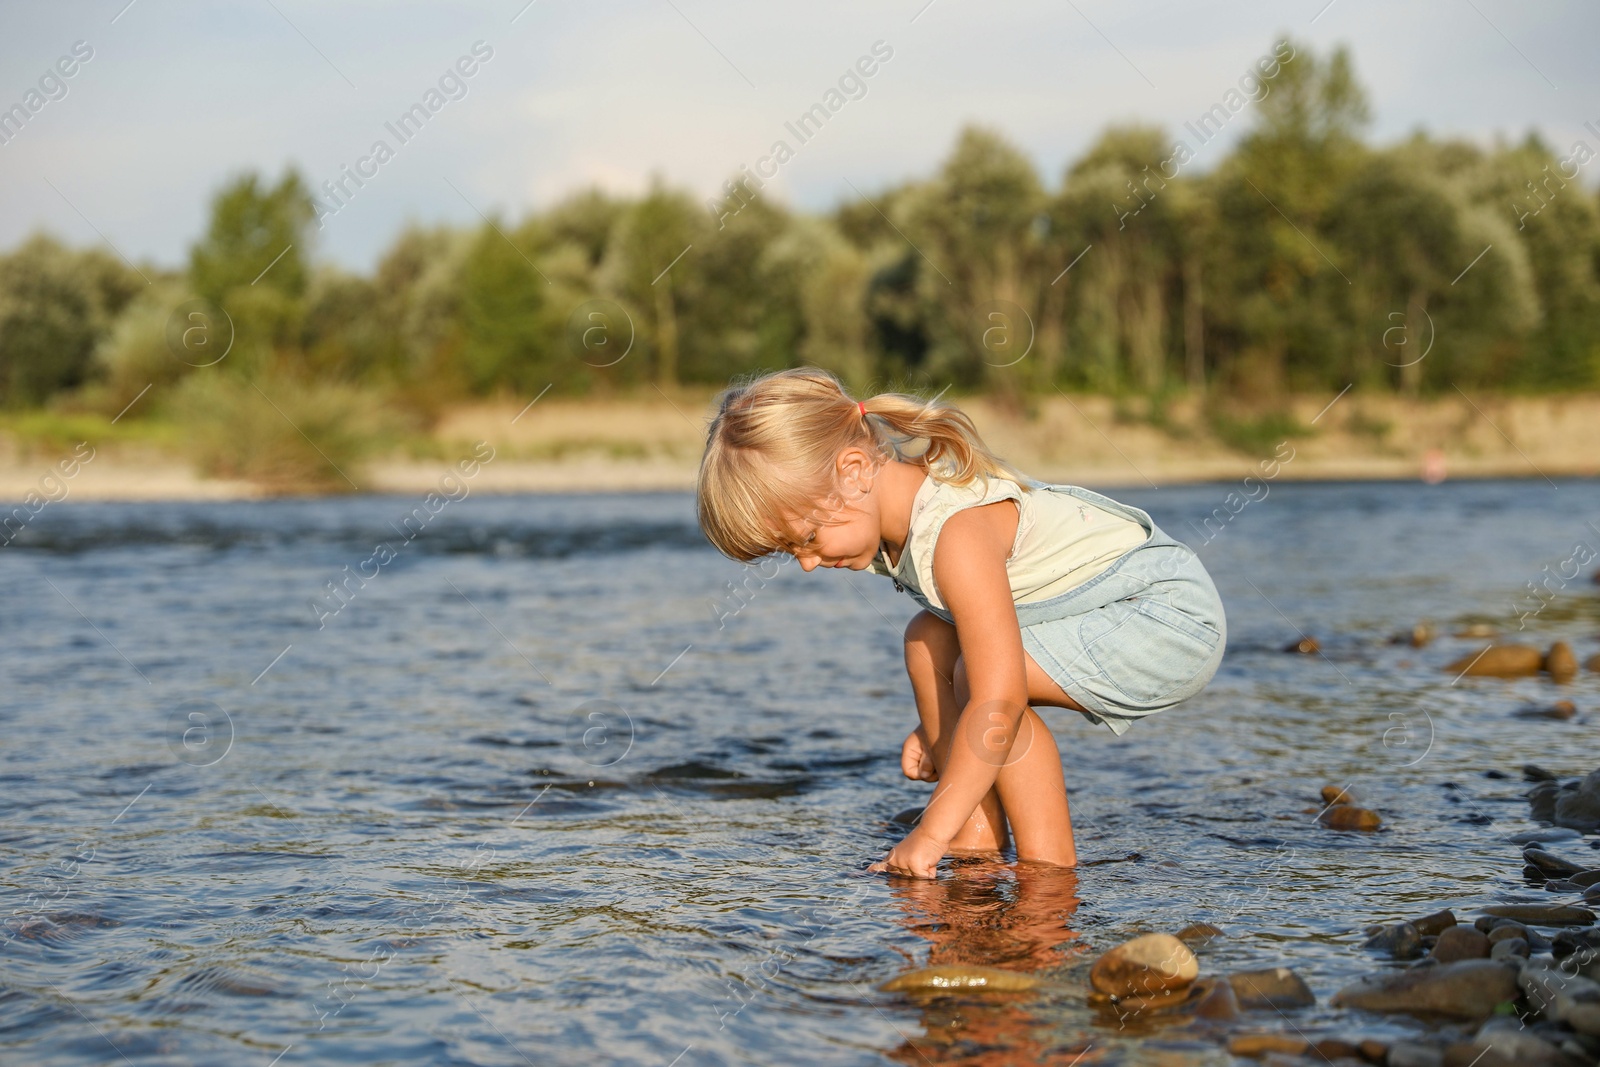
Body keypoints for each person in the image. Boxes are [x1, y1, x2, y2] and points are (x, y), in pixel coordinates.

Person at [695, 368, 1226, 878]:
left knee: (985, 682)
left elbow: (1000, 696)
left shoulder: (955, 534)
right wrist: (937, 728)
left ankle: (1050, 872)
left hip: (1166, 617)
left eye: (806, 538)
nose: (808, 562)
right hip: (1102, 609)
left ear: (855, 471)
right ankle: (976, 839)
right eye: (789, 552)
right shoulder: (894, 526)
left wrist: (926, 831)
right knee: (927, 638)